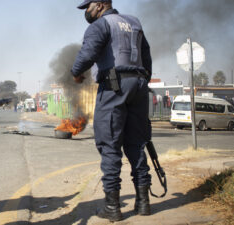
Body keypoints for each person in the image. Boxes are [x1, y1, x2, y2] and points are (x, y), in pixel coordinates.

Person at [72, 0, 153, 222]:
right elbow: (146, 57)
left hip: (114, 86)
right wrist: (142, 79)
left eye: (87, 7)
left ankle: (112, 207)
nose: (86, 12)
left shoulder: (100, 25)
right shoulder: (134, 22)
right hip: (138, 85)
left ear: (99, 5)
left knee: (109, 145)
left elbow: (88, 54)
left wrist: (76, 73)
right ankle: (143, 203)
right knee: (137, 144)